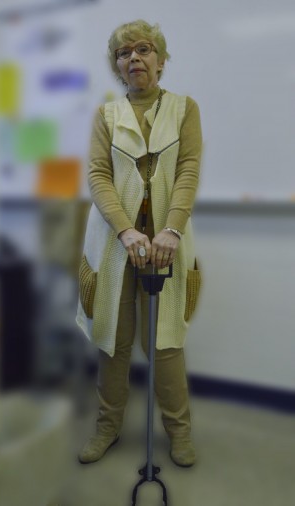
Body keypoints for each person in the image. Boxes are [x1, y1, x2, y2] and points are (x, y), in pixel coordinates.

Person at [76, 20, 202, 467]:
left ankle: (179, 432)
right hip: (115, 243)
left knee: (166, 340)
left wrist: (171, 229)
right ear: (117, 66)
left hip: (168, 242)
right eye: (124, 53)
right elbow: (98, 176)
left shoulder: (185, 109)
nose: (134, 58)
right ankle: (106, 428)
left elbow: (187, 170)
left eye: (144, 50)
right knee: (114, 338)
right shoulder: (106, 116)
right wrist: (126, 230)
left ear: (161, 61)